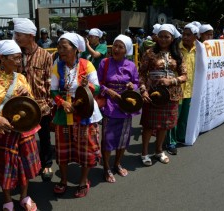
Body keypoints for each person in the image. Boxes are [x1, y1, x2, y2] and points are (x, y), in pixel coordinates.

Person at [0, 40, 40, 211]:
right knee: (5, 167)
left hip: (24, 130)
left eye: (20, 58)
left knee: (24, 165)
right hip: (4, 130)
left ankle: (25, 196)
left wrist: (28, 95)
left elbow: (32, 103)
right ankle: (7, 200)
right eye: (16, 58)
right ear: (2, 58)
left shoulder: (22, 78)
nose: (19, 62)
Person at [51, 32, 102, 197]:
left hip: (84, 111)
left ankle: (83, 180)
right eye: (59, 47)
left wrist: (89, 87)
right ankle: (64, 180)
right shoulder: (57, 67)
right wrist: (62, 102)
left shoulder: (87, 65)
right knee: (63, 149)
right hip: (64, 112)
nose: (60, 51)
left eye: (64, 47)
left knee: (85, 149)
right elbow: (52, 90)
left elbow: (98, 87)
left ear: (75, 49)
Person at [139, 24, 187, 166]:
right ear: (156, 37)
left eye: (167, 37)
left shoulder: (178, 54)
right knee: (148, 125)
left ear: (172, 38)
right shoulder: (149, 53)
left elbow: (184, 76)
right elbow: (141, 73)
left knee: (164, 126)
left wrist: (171, 80)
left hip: (171, 95)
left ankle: (159, 151)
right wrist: (143, 90)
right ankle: (144, 152)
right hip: (152, 94)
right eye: (161, 36)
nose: (163, 39)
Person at [13, 18, 54, 182]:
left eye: (19, 35)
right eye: (15, 35)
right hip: (20, 106)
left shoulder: (45, 56)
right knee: (21, 138)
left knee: (44, 137)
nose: (16, 38)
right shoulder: (15, 55)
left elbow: (49, 82)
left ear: (30, 35)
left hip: (41, 105)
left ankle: (47, 164)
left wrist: (50, 105)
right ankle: (25, 167)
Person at [97, 34, 140, 183]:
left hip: (126, 106)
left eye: (120, 47)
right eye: (115, 45)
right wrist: (107, 91)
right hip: (109, 107)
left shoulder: (131, 65)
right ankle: (107, 168)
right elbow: (97, 84)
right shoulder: (105, 63)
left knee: (123, 139)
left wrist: (131, 86)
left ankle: (117, 163)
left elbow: (136, 83)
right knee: (108, 140)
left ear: (126, 50)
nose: (115, 49)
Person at [165, 23, 198, 155]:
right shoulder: (176, 50)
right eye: (183, 34)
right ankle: (170, 142)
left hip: (191, 89)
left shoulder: (199, 50)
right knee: (173, 117)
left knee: (185, 116)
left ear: (196, 36)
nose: (185, 37)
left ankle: (181, 137)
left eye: (188, 34)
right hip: (176, 89)